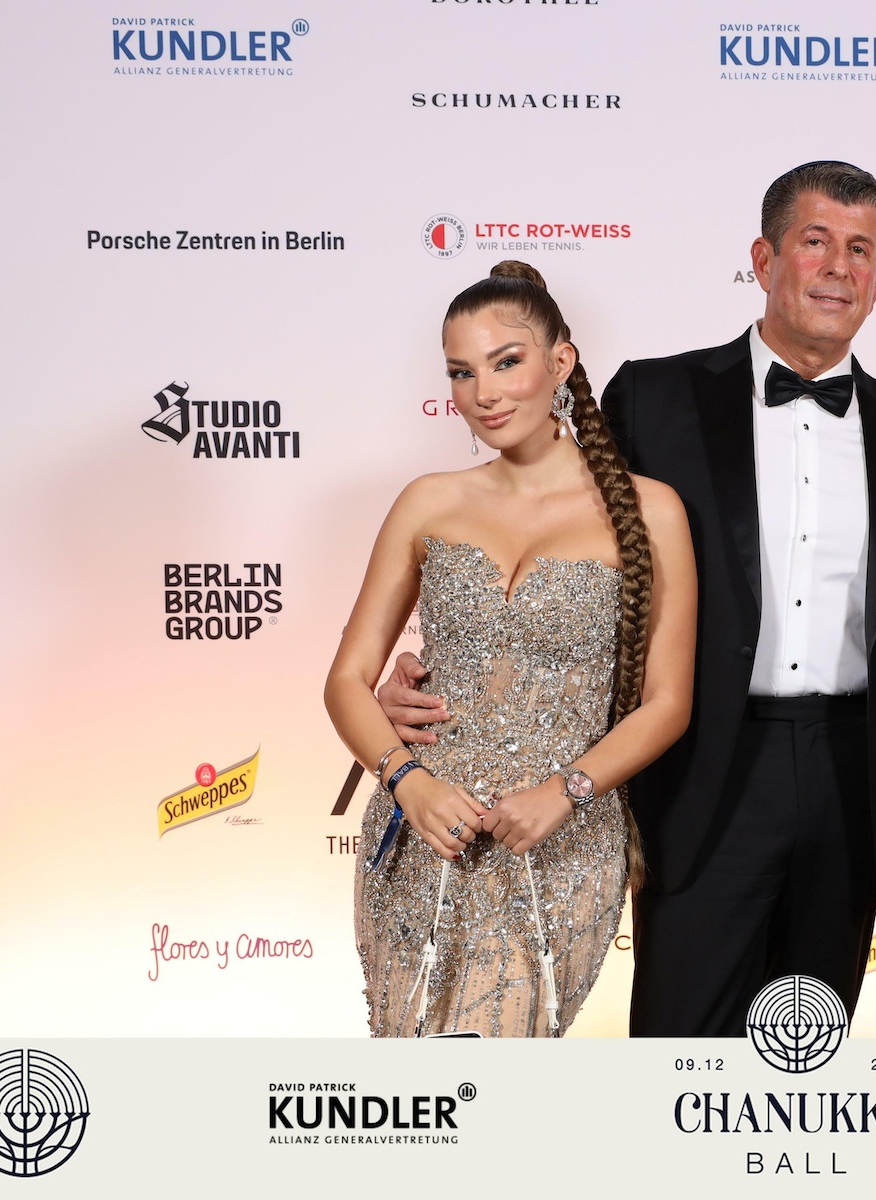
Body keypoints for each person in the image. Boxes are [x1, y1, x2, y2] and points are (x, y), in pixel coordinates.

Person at [376, 163, 876, 1037]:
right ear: (763, 259)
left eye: (860, 250)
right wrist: (439, 671)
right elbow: (555, 540)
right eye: (815, 241)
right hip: (698, 769)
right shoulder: (654, 398)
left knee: (809, 1051)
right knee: (680, 1055)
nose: (837, 267)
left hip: (854, 778)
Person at [324, 262, 695, 1037]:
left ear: (560, 362)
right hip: (421, 834)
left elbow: (667, 704)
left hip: (560, 844)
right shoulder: (429, 500)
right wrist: (407, 781)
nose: (483, 393)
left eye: (506, 362)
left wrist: (567, 791)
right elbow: (348, 680)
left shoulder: (651, 510)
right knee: (412, 1077)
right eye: (462, 372)